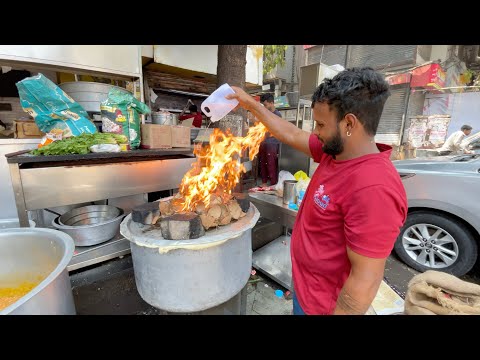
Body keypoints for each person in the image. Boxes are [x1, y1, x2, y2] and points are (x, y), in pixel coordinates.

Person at [227, 67, 408, 315]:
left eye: (321, 124)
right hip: (304, 291)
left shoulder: (373, 188)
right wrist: (250, 104)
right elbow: (290, 132)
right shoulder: (335, 152)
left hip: (323, 307)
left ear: (349, 123)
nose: (315, 132)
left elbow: (364, 281)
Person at [258, 93, 281, 186]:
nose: (264, 107)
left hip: (272, 143)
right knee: (263, 162)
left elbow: (277, 129)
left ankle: (272, 184)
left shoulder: (277, 114)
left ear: (271, 103)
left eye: (265, 105)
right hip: (263, 142)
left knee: (271, 164)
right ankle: (264, 182)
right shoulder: (265, 113)